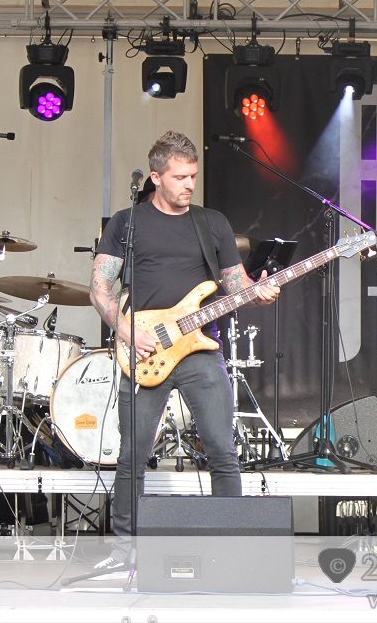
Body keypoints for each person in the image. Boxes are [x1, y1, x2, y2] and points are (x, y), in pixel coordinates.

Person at [89, 131, 279, 572]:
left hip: (200, 350)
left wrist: (258, 291)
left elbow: (235, 284)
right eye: (179, 177)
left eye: (193, 175)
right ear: (156, 177)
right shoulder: (126, 223)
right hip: (144, 350)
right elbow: (99, 287)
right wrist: (125, 330)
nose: (189, 184)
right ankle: (124, 551)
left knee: (222, 451)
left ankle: (229, 548)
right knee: (132, 456)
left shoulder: (211, 222)